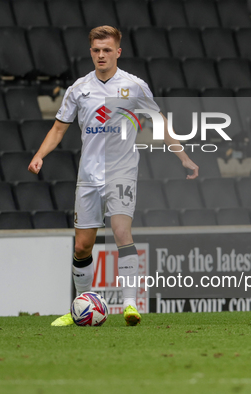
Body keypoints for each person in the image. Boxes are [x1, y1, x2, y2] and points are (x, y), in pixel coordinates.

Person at [28, 26, 199, 326]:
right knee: (82, 245)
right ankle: (80, 307)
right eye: (96, 50)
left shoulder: (134, 86)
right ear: (91, 52)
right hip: (89, 176)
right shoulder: (79, 89)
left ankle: (130, 306)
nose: (101, 55)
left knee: (121, 232)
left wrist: (183, 157)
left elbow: (159, 123)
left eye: (107, 50)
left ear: (118, 52)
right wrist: (40, 155)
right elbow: (58, 129)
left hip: (122, 171)